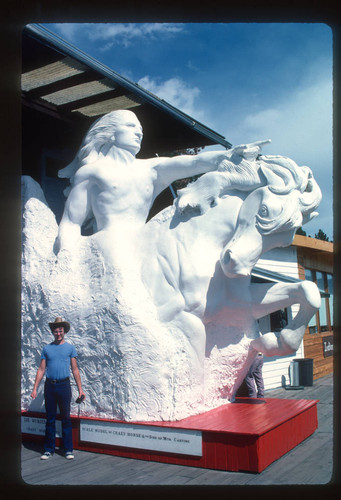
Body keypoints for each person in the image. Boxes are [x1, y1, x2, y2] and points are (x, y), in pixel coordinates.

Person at [55, 109, 261, 253]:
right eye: (131, 126)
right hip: (107, 247)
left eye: (141, 130)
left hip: (144, 246)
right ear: (110, 133)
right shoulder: (91, 173)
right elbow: (72, 223)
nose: (139, 132)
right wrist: (67, 255)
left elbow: (194, 161)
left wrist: (230, 155)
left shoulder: (151, 169)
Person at [31, 316, 85, 460]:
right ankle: (48, 449)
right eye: (56, 330)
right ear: (53, 332)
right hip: (50, 386)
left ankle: (68, 450)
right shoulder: (47, 349)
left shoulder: (70, 348)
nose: (58, 333)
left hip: (64, 386)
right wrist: (35, 388)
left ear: (64, 331)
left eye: (60, 330)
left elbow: (75, 370)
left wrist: (80, 389)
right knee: (50, 418)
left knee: (66, 418)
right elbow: (41, 369)